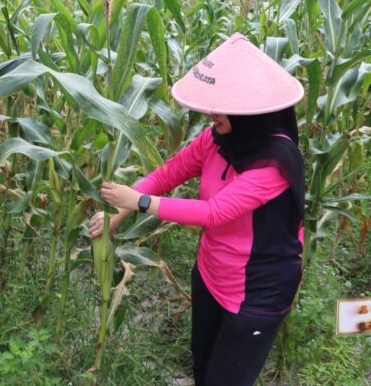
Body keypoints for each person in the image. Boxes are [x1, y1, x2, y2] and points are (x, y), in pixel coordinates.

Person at [89, 33, 306, 386]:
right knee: (203, 368)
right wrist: (118, 215)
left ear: (248, 109)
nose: (210, 112)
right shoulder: (217, 138)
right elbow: (170, 172)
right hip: (210, 275)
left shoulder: (275, 163)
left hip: (257, 293)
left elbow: (214, 212)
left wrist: (139, 202)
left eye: (221, 105)